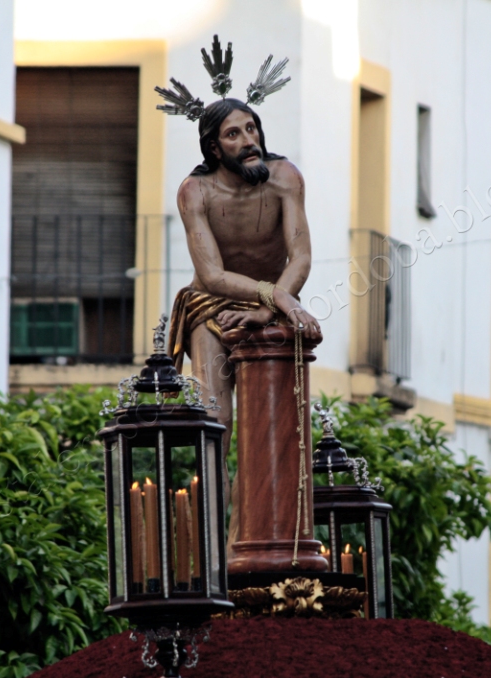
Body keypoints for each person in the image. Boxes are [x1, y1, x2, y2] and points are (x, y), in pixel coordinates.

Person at [157, 40, 319, 549]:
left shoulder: (285, 178)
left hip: (272, 305)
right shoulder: (196, 192)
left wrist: (272, 306)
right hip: (214, 307)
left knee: (275, 424)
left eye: (252, 128)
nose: (248, 140)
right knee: (219, 420)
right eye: (234, 134)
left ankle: (258, 541)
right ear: (213, 148)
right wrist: (279, 300)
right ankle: (213, 550)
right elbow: (210, 274)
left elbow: (300, 256)